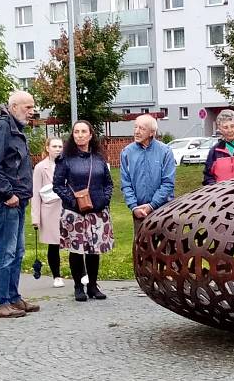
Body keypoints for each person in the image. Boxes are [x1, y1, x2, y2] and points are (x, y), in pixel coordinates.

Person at [0, 91, 40, 318]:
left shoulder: (16, 129)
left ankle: (13, 298)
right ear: (13, 107)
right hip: (8, 202)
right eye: (27, 107)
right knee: (6, 251)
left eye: (32, 106)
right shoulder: (2, 127)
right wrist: (7, 193)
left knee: (18, 251)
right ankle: (0, 302)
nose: (31, 111)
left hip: (19, 200)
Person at [53, 120, 115, 302]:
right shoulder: (65, 158)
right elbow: (57, 185)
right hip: (74, 213)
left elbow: (108, 183)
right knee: (76, 249)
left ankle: (93, 285)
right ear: (72, 135)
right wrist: (72, 201)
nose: (79, 135)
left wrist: (103, 199)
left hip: (97, 211)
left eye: (83, 131)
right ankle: (78, 286)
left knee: (94, 250)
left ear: (90, 135)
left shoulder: (98, 158)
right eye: (76, 132)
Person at [120, 114, 176, 235]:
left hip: (164, 209)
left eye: (142, 128)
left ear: (152, 133)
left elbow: (168, 183)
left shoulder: (165, 151)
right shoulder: (126, 153)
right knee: (143, 250)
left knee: (167, 250)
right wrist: (134, 207)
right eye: (135, 127)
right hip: (139, 212)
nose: (137, 131)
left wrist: (152, 205)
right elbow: (126, 183)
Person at [32, 137, 65, 288]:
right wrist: (35, 217)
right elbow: (35, 193)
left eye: (60, 146)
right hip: (49, 210)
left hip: (66, 207)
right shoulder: (40, 167)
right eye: (55, 146)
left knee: (74, 241)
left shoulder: (67, 163)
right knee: (54, 244)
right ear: (47, 148)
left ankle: (82, 273)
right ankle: (56, 275)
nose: (58, 149)